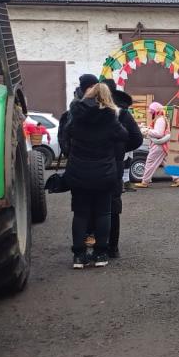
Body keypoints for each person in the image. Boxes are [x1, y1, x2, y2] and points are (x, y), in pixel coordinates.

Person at [64, 82, 128, 269]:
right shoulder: (110, 117)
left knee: (80, 214)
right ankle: (100, 254)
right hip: (104, 173)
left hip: (79, 172)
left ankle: (78, 256)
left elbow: (67, 134)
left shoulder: (76, 114)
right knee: (103, 213)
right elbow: (124, 135)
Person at [100, 78, 144, 259]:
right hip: (115, 165)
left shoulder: (92, 109)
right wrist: (121, 149)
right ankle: (113, 248)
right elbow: (137, 138)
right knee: (113, 205)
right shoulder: (123, 113)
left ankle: (97, 244)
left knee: (95, 204)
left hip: (96, 163)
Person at [136, 102, 179, 188]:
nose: (151, 113)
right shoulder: (161, 119)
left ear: (155, 111)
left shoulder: (160, 120)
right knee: (167, 162)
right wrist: (148, 129)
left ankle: (145, 182)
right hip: (163, 145)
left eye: (152, 112)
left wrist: (147, 131)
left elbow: (158, 133)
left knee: (150, 162)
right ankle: (178, 179)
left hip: (158, 145)